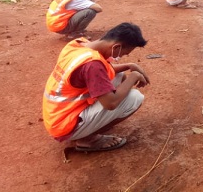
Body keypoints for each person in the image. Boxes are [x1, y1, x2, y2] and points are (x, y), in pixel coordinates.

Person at [42, 22, 149, 152]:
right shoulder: (93, 65)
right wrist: (134, 76)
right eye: (123, 54)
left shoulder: (77, 44)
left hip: (58, 115)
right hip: (66, 125)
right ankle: (88, 139)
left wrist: (129, 65)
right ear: (116, 47)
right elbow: (111, 103)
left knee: (118, 75)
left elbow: (104, 70)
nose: (121, 57)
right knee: (134, 98)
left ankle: (92, 125)